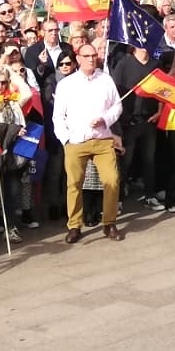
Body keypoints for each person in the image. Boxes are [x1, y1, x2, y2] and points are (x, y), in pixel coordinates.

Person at [52, 42, 123, 242]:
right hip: (76, 141)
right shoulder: (66, 84)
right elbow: (58, 116)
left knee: (112, 180)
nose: (91, 59)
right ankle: (74, 225)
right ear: (78, 59)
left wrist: (105, 119)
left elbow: (117, 106)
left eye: (93, 55)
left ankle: (109, 223)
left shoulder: (106, 80)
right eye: (87, 56)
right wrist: (66, 139)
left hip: (102, 140)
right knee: (74, 183)